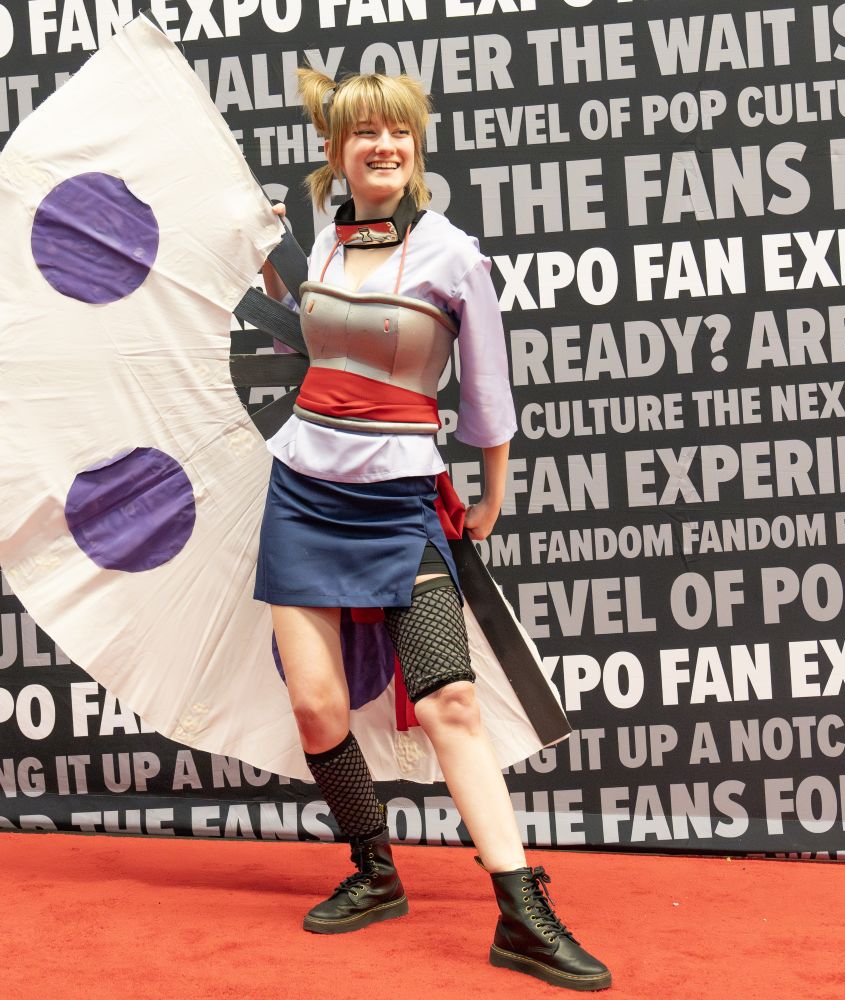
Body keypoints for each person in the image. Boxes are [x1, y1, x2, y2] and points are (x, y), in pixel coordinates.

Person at [255, 68, 611, 993]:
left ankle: (521, 910)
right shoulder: (317, 251)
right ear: (334, 155)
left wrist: (490, 492)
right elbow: (308, 333)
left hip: (400, 500)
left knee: (452, 700)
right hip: (300, 490)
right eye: (364, 133)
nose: (383, 147)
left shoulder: (454, 255)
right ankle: (374, 870)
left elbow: (486, 388)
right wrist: (249, 244)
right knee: (316, 707)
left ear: (416, 148)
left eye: (399, 133)